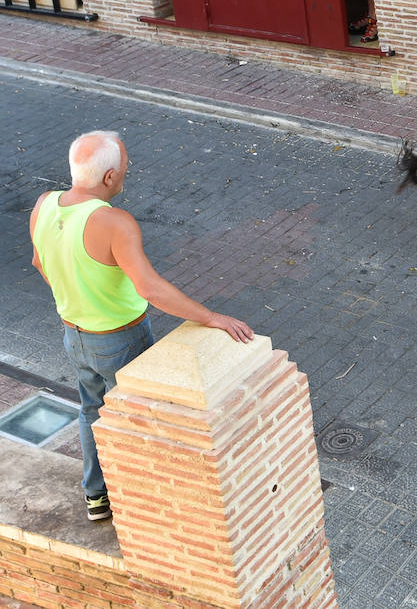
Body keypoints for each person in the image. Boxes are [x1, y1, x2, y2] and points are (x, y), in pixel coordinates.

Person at [28, 131, 254, 522]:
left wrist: (79, 298)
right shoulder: (114, 222)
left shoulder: (44, 204)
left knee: (92, 410)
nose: (127, 171)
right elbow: (150, 288)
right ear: (110, 176)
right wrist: (212, 317)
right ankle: (150, 501)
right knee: (141, 416)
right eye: (125, 166)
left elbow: (38, 262)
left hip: (74, 335)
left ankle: (97, 495)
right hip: (121, 339)